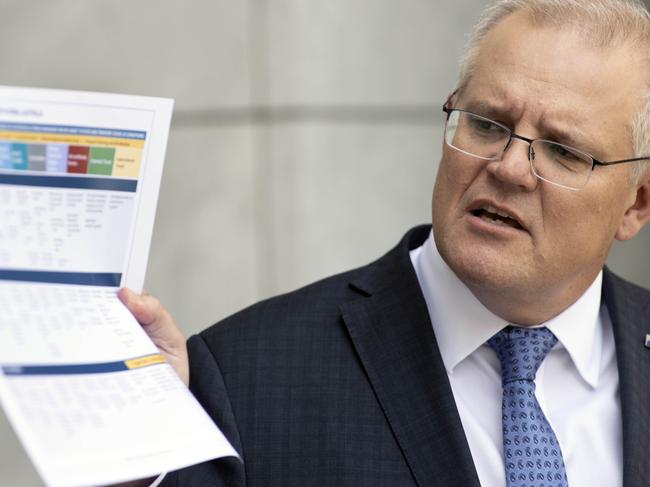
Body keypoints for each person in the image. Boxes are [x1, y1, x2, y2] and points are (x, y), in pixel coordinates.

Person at [121, 0, 650, 485]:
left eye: (563, 151)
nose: (509, 167)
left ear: (636, 205)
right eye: (487, 124)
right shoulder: (248, 376)